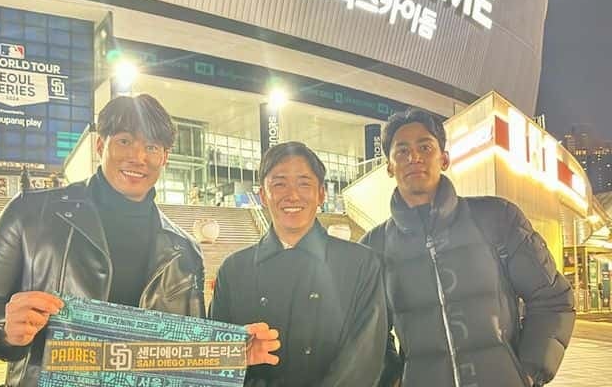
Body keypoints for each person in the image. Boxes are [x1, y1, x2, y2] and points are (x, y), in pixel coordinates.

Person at [0, 94, 278, 387]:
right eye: (125, 141)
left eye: (152, 146)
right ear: (100, 145)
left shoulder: (185, 251)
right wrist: (2, 327)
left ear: (165, 157)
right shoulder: (31, 212)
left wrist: (229, 354)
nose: (138, 157)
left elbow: (187, 351)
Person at [360, 109, 576, 387]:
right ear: (389, 167)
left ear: (444, 159)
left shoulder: (496, 218)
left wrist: (528, 372)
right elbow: (365, 332)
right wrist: (392, 379)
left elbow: (552, 297)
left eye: (425, 147)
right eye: (402, 151)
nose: (414, 157)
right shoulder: (373, 247)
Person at [210, 141, 387, 387]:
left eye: (304, 184)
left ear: (322, 194)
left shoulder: (361, 264)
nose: (292, 195)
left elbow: (364, 359)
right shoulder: (234, 270)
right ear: (263, 195)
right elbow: (217, 358)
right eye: (279, 184)